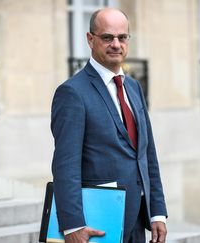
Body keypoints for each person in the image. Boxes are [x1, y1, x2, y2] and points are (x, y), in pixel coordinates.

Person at [51, 8, 168, 243]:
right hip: (98, 223)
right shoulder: (72, 93)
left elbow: (147, 155)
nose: (116, 44)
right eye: (107, 37)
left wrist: (157, 212)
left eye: (122, 37)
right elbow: (66, 165)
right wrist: (73, 225)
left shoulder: (134, 88)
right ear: (90, 39)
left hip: (137, 220)